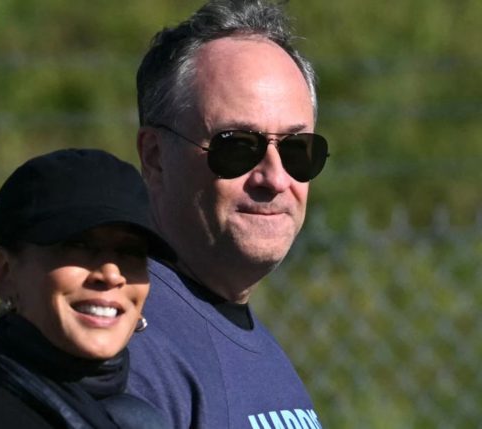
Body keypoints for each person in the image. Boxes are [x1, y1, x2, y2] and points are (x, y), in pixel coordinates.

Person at [127, 0, 330, 428]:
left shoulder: (238, 334)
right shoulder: (127, 354)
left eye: (297, 150)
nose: (274, 178)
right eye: (237, 146)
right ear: (155, 157)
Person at [0, 149, 174, 428]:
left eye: (131, 252)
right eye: (78, 245)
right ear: (4, 272)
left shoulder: (142, 417)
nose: (111, 274)